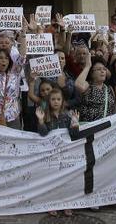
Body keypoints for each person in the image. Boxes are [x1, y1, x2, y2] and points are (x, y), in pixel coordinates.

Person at [35, 87, 79, 217]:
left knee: (66, 180)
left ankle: (66, 204)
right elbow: (43, 133)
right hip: (51, 154)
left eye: (58, 99)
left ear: (62, 101)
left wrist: (75, 123)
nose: (56, 102)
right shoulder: (46, 116)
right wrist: (41, 121)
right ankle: (51, 203)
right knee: (51, 180)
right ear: (49, 101)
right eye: (53, 99)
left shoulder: (67, 115)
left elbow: (74, 135)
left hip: (66, 153)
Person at [0, 48, 27, 128]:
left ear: (9, 61)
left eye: (6, 58)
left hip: (12, 116)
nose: (3, 60)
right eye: (0, 58)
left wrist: (23, 35)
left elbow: (22, 58)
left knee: (13, 140)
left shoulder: (15, 74)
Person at [74, 53, 116, 123]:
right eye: (99, 69)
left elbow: (114, 107)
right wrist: (88, 66)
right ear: (91, 73)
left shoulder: (109, 88)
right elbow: (78, 85)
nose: (102, 71)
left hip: (107, 129)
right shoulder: (88, 85)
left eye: (104, 69)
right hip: (90, 129)